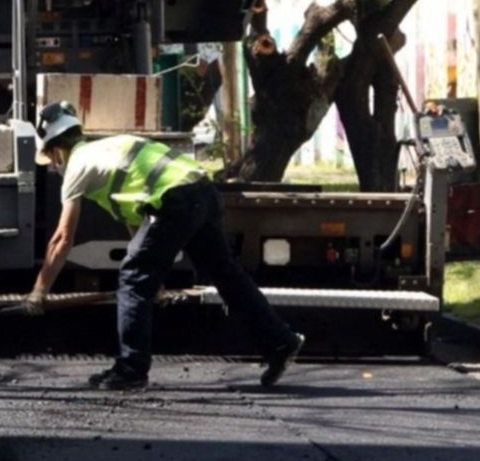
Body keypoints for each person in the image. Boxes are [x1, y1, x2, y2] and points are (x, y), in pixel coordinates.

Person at [24, 102, 304, 391]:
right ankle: (280, 341)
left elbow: (62, 238)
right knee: (226, 276)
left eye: (51, 158)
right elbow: (143, 229)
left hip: (176, 201)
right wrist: (154, 278)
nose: (54, 165)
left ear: (56, 150)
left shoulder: (76, 167)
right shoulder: (109, 147)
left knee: (132, 277)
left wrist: (39, 290)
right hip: (202, 192)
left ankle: (131, 369)